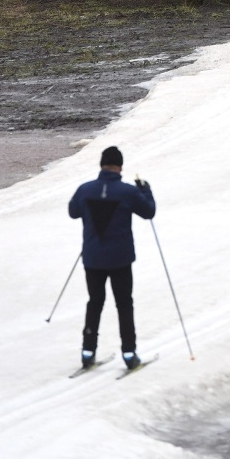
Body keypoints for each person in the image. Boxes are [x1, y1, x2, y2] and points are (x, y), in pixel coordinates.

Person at [68, 145, 156, 371]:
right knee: (124, 305)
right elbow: (148, 212)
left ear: (101, 165)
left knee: (94, 303)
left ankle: (87, 354)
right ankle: (129, 355)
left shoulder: (85, 189)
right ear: (120, 167)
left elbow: (73, 212)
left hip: (92, 259)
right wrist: (145, 190)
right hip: (120, 260)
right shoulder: (128, 192)